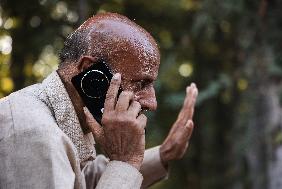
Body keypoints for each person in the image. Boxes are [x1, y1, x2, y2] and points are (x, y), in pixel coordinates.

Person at [0, 12, 198, 189]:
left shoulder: (58, 124)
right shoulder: (35, 136)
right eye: (140, 83)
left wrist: (163, 153)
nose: (152, 103)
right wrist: (124, 162)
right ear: (93, 75)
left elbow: (88, 180)